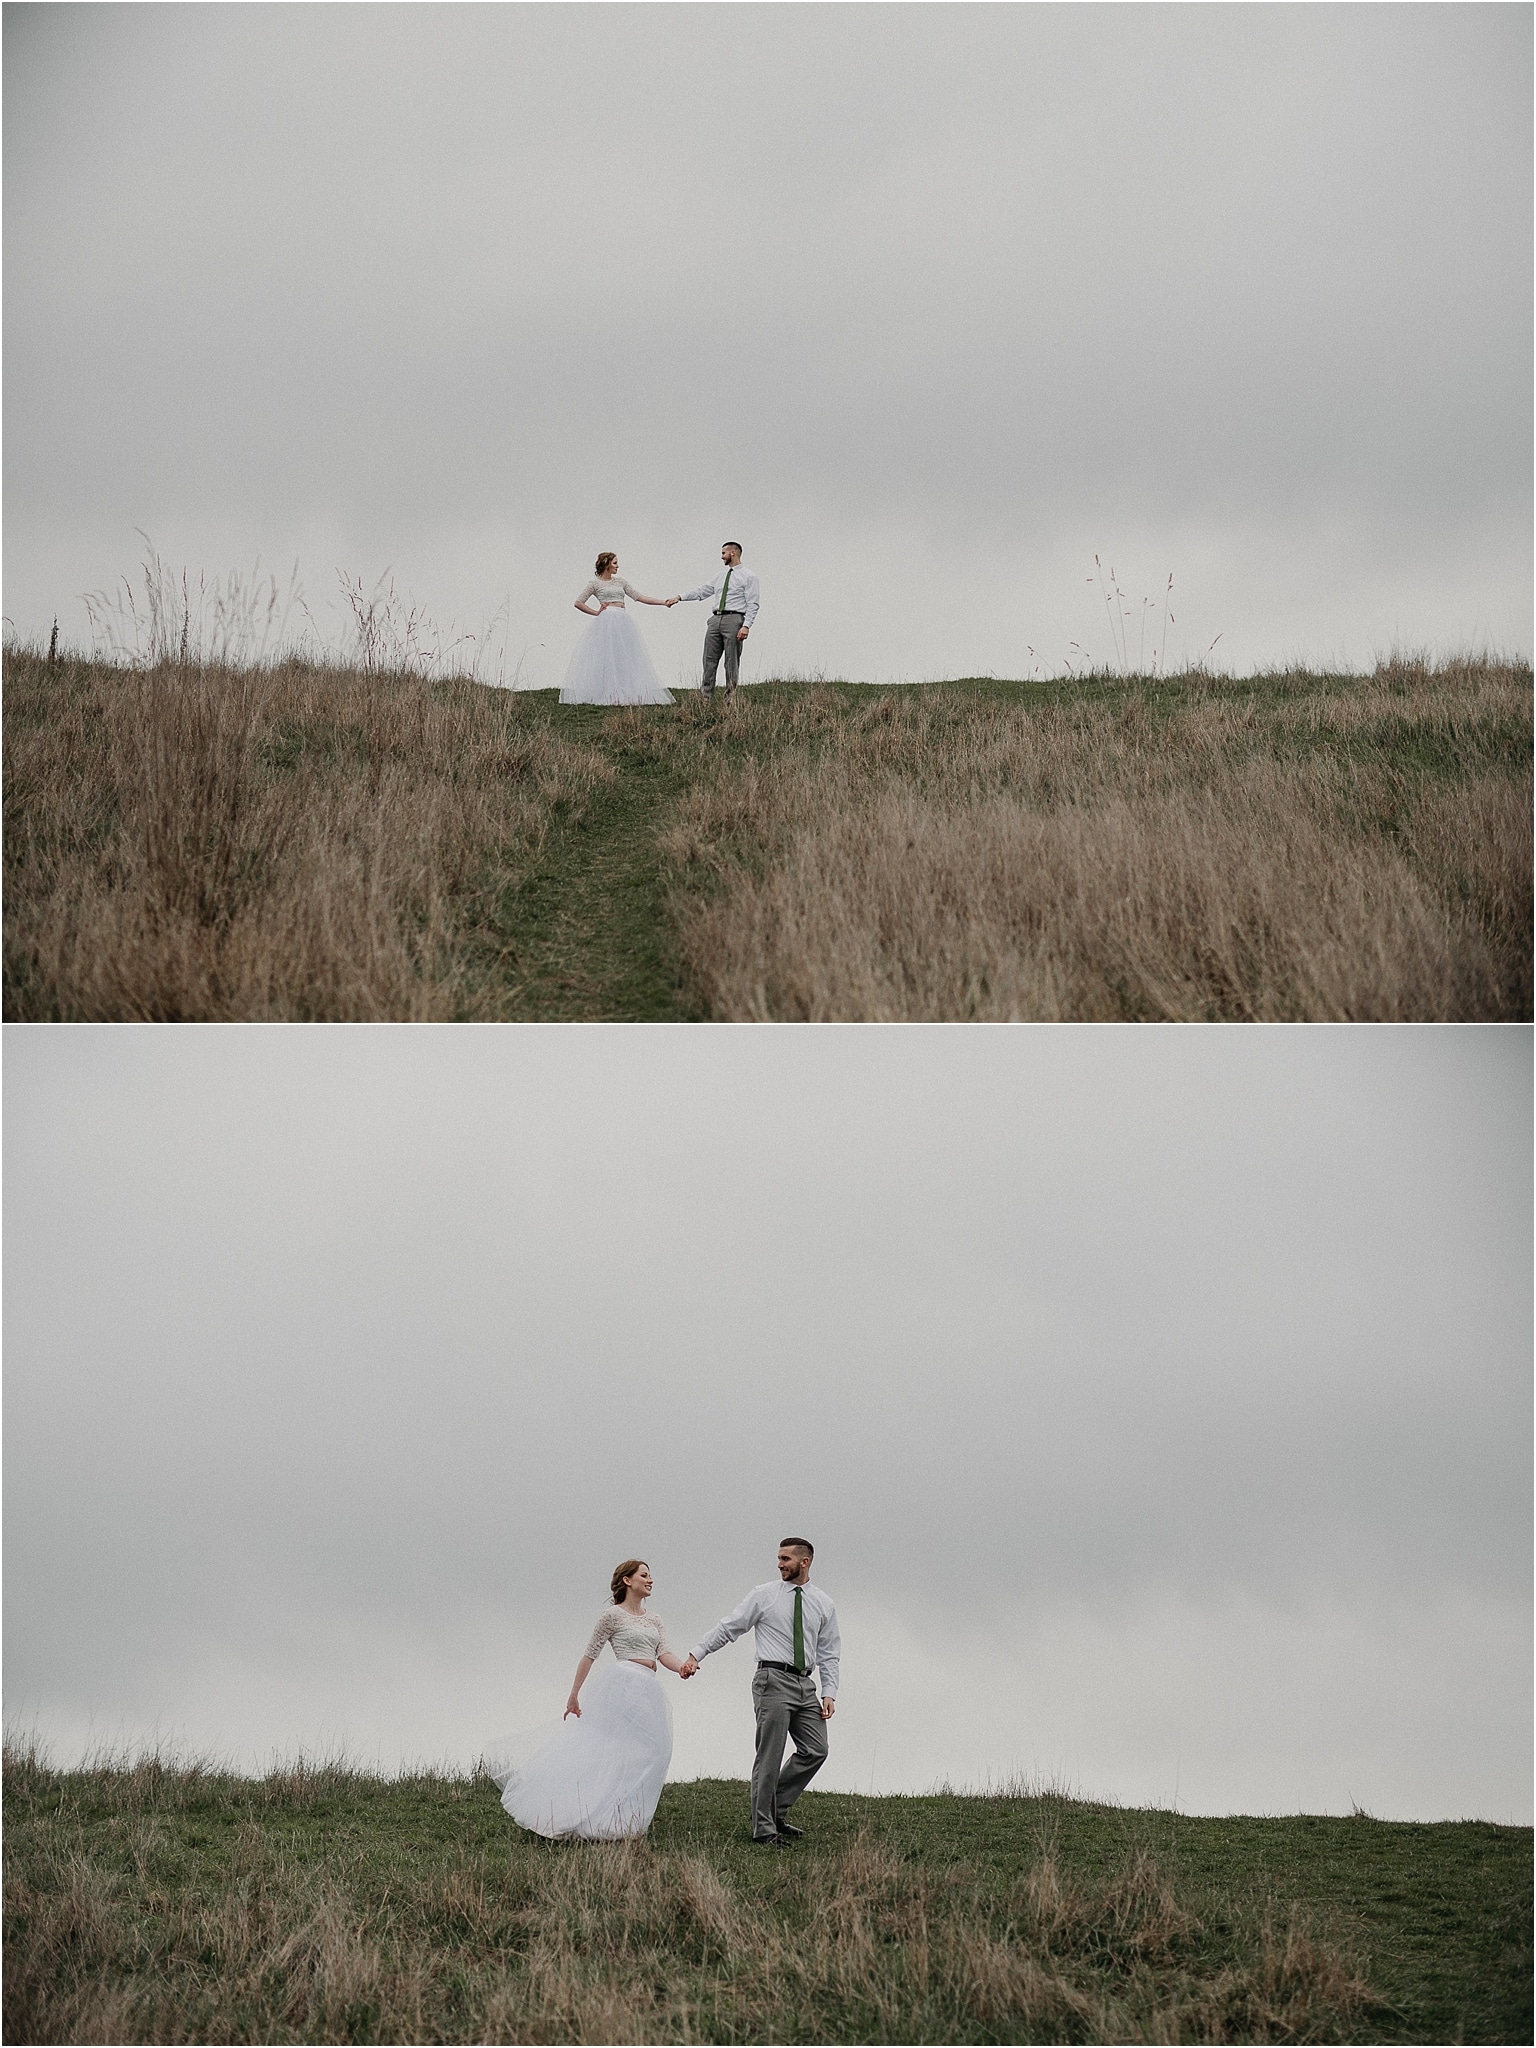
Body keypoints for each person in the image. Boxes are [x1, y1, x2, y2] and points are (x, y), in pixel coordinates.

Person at [500, 1559, 689, 1839]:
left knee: (655, 1751)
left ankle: (624, 1815)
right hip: (623, 1682)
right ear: (628, 1580)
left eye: (650, 1576)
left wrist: (682, 1666)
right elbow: (590, 1654)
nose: (650, 1580)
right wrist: (574, 1695)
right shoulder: (612, 1616)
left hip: (649, 1688)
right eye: (644, 1575)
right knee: (616, 1749)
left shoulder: (654, 1619)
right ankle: (591, 1813)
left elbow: (664, 1654)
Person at [680, 1537, 839, 1845]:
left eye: (786, 1559)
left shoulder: (823, 1603)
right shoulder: (764, 1595)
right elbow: (729, 1627)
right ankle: (764, 1829)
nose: (780, 1563)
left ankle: (774, 1809)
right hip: (772, 1679)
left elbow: (829, 1650)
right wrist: (695, 1654)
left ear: (804, 1562)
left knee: (817, 1750)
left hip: (806, 1684)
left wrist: (829, 1691)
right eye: (779, 1558)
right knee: (770, 1756)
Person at [560, 553, 676, 705]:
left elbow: (639, 597)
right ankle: (609, 692)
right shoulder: (594, 584)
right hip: (607, 620)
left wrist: (662, 602)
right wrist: (596, 612)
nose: (617, 566)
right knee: (608, 656)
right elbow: (578, 602)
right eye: (614, 563)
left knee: (624, 655)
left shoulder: (620, 582)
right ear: (606, 564)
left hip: (623, 619)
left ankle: (624, 690)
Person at [669, 542, 760, 700]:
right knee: (708, 659)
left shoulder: (749, 576)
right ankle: (705, 697)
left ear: (733, 553)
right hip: (715, 619)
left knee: (731, 661)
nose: (721, 556)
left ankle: (730, 698)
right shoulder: (720, 576)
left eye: (724, 553)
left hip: (734, 619)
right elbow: (702, 591)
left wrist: (746, 625)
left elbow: (753, 603)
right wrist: (680, 597)